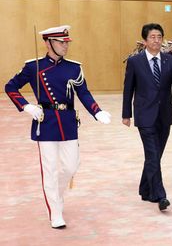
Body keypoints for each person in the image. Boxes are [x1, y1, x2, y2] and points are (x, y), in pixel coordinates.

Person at [5, 25, 111, 229]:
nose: (65, 46)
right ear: (48, 43)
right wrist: (26, 106)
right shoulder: (33, 66)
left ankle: (57, 194)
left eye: (66, 42)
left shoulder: (74, 67)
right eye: (61, 42)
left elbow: (84, 93)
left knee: (72, 166)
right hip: (45, 123)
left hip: (68, 122)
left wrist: (96, 111)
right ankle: (55, 210)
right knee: (50, 169)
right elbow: (10, 87)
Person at [122, 23, 172, 211]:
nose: (156, 40)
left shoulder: (169, 60)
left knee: (155, 156)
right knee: (152, 155)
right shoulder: (135, 62)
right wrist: (126, 114)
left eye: (159, 36)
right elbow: (128, 90)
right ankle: (160, 195)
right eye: (152, 37)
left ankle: (145, 188)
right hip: (144, 115)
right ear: (145, 40)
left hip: (164, 115)